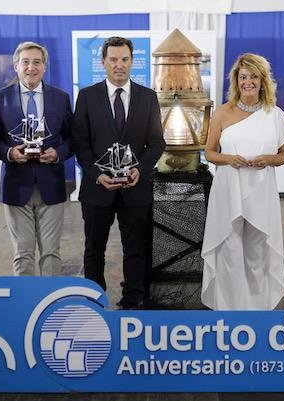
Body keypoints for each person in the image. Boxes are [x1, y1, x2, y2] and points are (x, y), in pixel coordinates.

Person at [70, 36, 165, 310]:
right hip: (97, 190)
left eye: (124, 59)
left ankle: (132, 301)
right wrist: (95, 174)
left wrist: (141, 170)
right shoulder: (87, 96)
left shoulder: (148, 97)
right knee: (93, 251)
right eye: (113, 60)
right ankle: (94, 302)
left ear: (132, 62)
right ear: (103, 62)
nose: (119, 65)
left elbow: (157, 142)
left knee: (136, 250)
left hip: (136, 190)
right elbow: (80, 142)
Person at [200, 53, 284, 311]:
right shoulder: (222, 113)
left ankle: (256, 310)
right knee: (229, 249)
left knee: (256, 251)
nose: (248, 82)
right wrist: (230, 159)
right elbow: (209, 152)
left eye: (253, 77)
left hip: (260, 191)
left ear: (262, 81)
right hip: (228, 189)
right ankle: (230, 309)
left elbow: (283, 156)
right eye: (243, 77)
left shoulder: (274, 115)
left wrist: (267, 159)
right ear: (236, 81)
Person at [0, 41, 73, 276]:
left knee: (51, 253)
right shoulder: (0, 98)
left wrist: (58, 154)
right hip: (16, 185)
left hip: (51, 184)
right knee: (22, 253)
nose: (31, 68)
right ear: (16, 66)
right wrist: (9, 153)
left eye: (37, 62)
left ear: (45, 66)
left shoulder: (60, 98)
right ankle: (26, 308)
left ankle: (50, 306)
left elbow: (72, 138)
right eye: (25, 62)